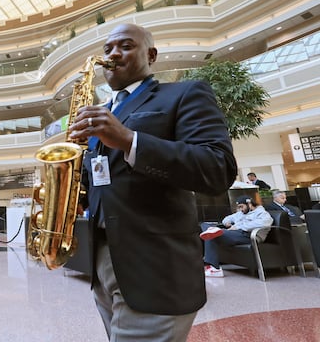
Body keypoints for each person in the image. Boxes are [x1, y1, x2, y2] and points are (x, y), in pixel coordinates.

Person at [68, 23, 237, 341]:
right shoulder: (102, 111)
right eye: (107, 49)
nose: (113, 54)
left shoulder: (185, 93)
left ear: (151, 55)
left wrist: (130, 140)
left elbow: (218, 169)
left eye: (126, 46)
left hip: (155, 267)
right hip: (103, 262)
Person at [200, 195, 273, 277]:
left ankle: (214, 268)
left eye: (242, 206)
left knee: (212, 234)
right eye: (239, 207)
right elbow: (227, 219)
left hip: (249, 236)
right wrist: (227, 223)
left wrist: (237, 227)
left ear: (249, 203)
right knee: (205, 226)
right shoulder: (240, 213)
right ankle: (212, 230)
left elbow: (263, 223)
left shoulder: (262, 213)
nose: (241, 209)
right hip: (235, 234)